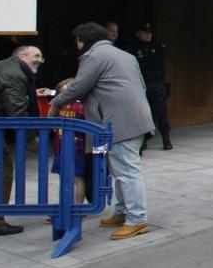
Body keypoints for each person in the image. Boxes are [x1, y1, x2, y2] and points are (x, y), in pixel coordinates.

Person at [50, 22, 155, 241]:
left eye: (77, 41)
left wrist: (56, 103)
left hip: (119, 121)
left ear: (83, 39)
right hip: (134, 117)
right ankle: (122, 211)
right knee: (119, 169)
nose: (77, 46)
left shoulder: (94, 56)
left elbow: (79, 86)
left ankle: (137, 219)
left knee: (126, 170)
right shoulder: (124, 55)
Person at [0, 45, 44, 236]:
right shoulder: (15, 74)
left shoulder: (7, 67)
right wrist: (31, 140)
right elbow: (16, 110)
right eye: (36, 56)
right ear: (21, 56)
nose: (39, 60)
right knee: (2, 169)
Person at [127, 23, 171, 150]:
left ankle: (166, 139)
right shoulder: (132, 48)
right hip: (141, 85)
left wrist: (146, 60)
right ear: (138, 34)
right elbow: (136, 65)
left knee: (162, 113)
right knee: (142, 114)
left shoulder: (158, 46)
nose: (148, 35)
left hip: (157, 84)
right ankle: (143, 140)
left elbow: (157, 62)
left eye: (150, 32)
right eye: (145, 32)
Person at [51, 78, 92, 204]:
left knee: (70, 178)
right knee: (75, 178)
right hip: (76, 147)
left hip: (65, 147)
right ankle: (75, 208)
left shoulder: (58, 106)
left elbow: (53, 126)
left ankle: (68, 207)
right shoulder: (81, 105)